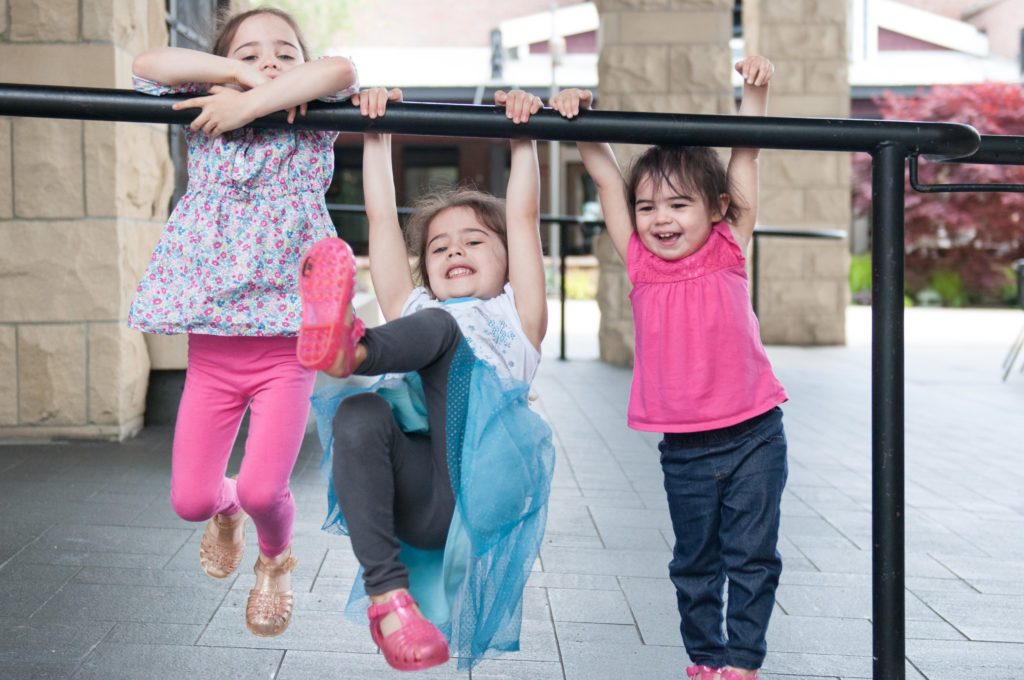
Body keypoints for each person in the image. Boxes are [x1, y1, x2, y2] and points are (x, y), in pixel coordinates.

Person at [296, 87, 555, 671]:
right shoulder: (414, 308)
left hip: (477, 486)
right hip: (424, 501)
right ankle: (388, 600)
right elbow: (383, 219)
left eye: (474, 241)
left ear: (509, 261)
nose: (454, 250)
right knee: (359, 413)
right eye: (438, 247)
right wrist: (376, 130)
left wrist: (522, 135)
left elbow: (523, 216)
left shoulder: (518, 316)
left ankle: (352, 354)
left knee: (437, 333)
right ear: (426, 270)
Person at [550, 56, 786, 680]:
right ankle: (705, 658)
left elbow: (747, 157)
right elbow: (605, 178)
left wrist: (753, 92)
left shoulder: (730, 246)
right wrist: (581, 115)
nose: (661, 220)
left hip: (755, 433)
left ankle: (742, 661)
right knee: (694, 560)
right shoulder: (640, 260)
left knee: (753, 557)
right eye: (648, 207)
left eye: (678, 205)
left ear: (715, 208)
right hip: (683, 447)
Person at [128, 7, 358, 637]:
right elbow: (147, 65)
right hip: (214, 350)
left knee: (263, 491)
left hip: (287, 346)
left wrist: (255, 103)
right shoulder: (208, 104)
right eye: (250, 51)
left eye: (285, 53)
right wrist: (231, 83)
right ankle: (222, 513)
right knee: (192, 501)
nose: (269, 61)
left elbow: (340, 68)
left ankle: (276, 558)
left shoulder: (309, 120)